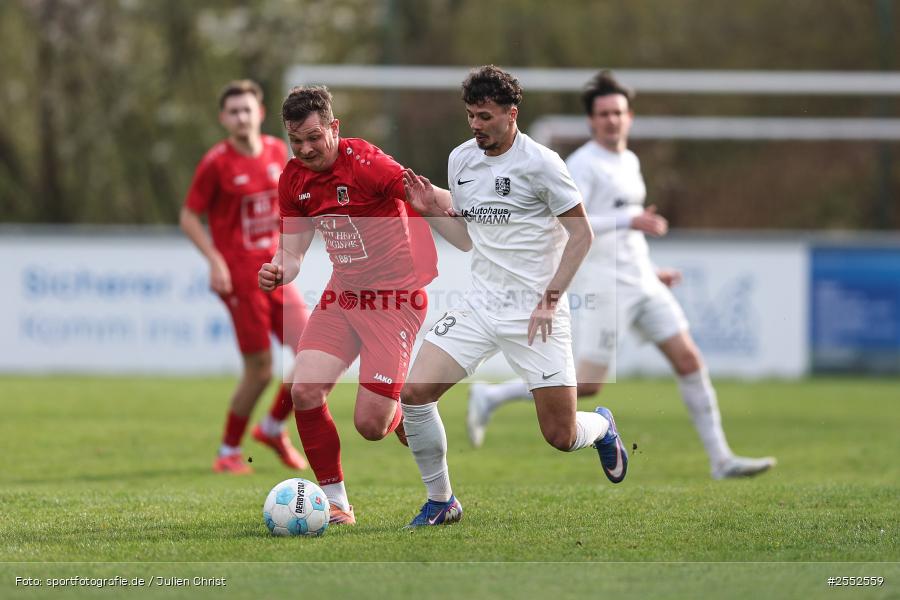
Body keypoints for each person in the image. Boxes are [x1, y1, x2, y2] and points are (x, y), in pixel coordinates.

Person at [466, 70, 776, 480]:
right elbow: (567, 224)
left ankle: (721, 459)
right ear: (591, 121)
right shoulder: (582, 165)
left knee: (689, 360)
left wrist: (652, 271)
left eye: (618, 113)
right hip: (606, 284)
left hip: (642, 281)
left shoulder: (629, 161)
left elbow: (625, 232)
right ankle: (492, 396)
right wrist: (628, 219)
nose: (612, 120)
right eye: (604, 114)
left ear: (629, 117)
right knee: (588, 386)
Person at [399, 65, 629, 528]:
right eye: (470, 115)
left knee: (560, 434)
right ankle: (441, 501)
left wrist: (550, 299)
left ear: (511, 114)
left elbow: (581, 236)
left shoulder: (542, 164)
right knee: (414, 395)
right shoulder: (461, 160)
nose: (476, 125)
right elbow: (467, 239)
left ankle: (603, 426)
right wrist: (428, 212)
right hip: (480, 306)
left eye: (485, 116)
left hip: (536, 314)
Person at [258, 85, 443, 525]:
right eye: (295, 140)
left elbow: (427, 193)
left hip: (395, 300)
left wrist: (472, 212)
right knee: (304, 390)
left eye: (313, 137)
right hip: (343, 294)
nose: (305, 149)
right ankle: (336, 502)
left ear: (334, 128)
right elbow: (293, 252)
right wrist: (279, 268)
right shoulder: (293, 180)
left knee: (371, 426)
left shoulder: (366, 163)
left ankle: (402, 413)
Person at [181, 80, 310, 475]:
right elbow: (189, 216)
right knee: (261, 370)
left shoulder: (277, 151)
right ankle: (228, 451)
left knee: (314, 353)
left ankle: (271, 428)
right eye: (233, 111)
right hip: (240, 277)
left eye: (247, 109)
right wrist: (215, 261)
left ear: (260, 112)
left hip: (276, 271)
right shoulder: (216, 163)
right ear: (224, 118)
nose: (241, 117)